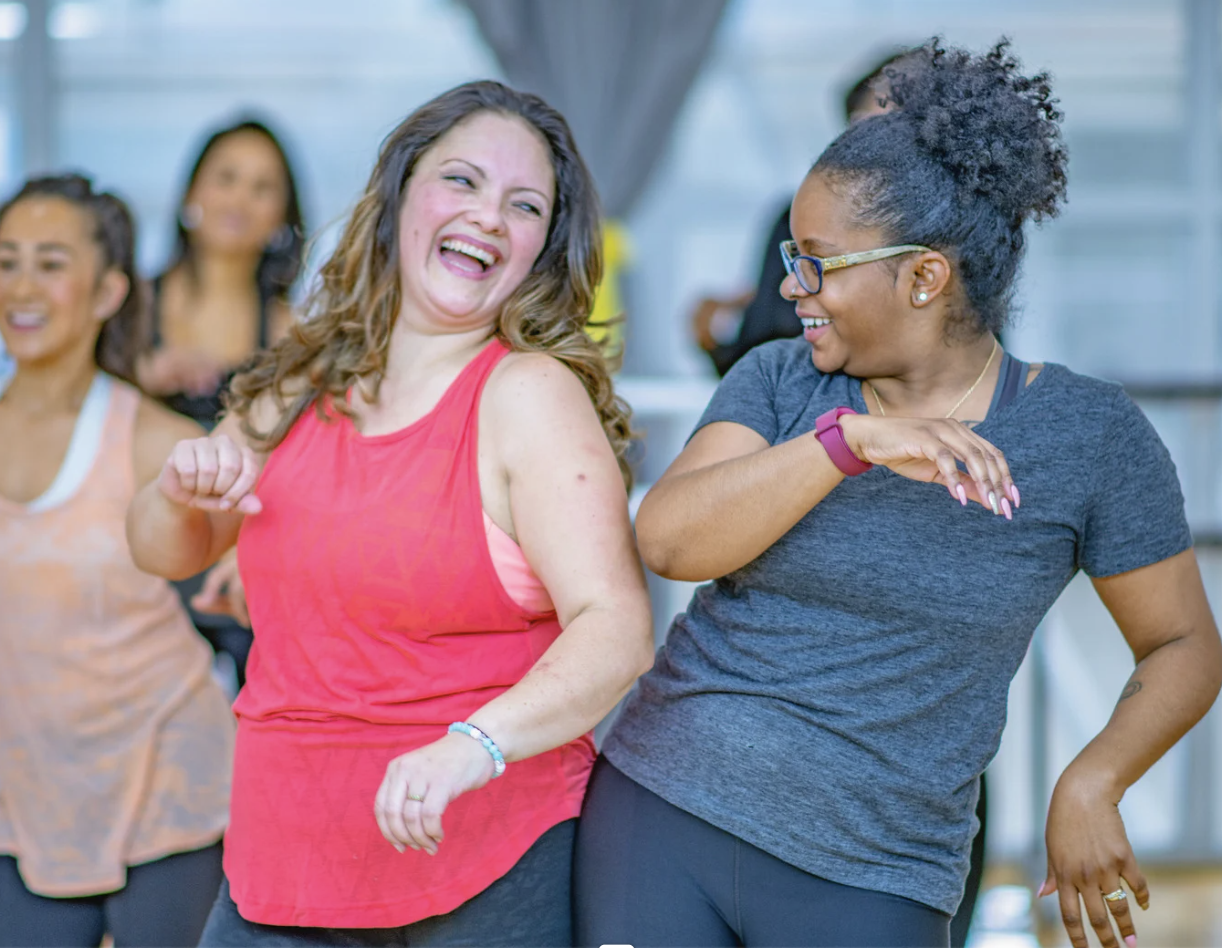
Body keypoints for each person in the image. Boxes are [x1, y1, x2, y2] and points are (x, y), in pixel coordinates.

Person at [576, 39, 1222, 948]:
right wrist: (847, 444)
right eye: (789, 260)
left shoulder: (1091, 438)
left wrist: (1093, 780)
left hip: (879, 872)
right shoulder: (781, 382)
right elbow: (671, 540)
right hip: (664, 810)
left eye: (817, 264)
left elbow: (1184, 642)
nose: (792, 289)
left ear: (923, 277)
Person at [126, 80, 654, 946]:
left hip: (484, 856)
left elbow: (617, 627)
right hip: (282, 857)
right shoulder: (307, 374)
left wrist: (473, 746)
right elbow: (163, 550)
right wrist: (176, 488)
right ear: (403, 193)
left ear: (539, 251)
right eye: (462, 181)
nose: (488, 215)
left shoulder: (529, 394)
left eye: (524, 205)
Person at [0, 175, 235, 947]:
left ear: (106, 291)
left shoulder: (156, 441)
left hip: (166, 782)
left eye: (49, 262)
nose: (21, 287)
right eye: (6, 261)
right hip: (23, 793)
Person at [137, 118, 307, 691]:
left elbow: (302, 463)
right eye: (227, 178)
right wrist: (141, 374)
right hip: (136, 545)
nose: (240, 199)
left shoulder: (293, 330)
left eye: (263, 187)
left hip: (238, 562)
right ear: (192, 192)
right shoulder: (130, 308)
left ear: (284, 215)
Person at [691, 49, 913, 377]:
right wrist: (711, 338)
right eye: (859, 126)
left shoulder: (961, 235)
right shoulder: (795, 219)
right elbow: (761, 349)